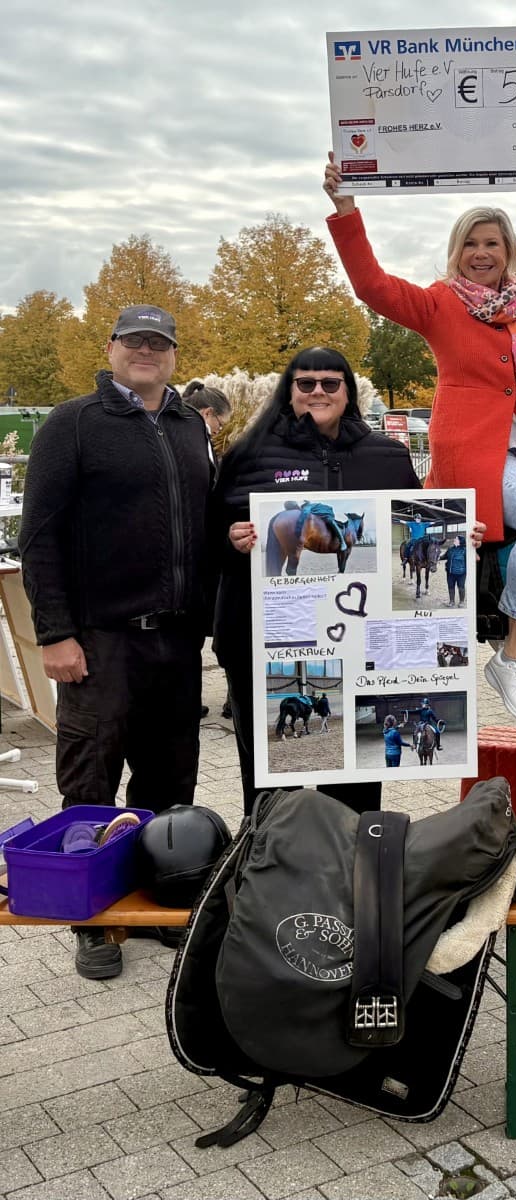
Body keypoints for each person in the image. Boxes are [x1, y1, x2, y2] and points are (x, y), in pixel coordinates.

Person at [324, 148, 516, 728]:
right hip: (472, 454)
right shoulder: (439, 304)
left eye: (492, 243)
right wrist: (345, 208)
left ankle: (510, 650)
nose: (481, 253)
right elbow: (373, 286)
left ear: (509, 251)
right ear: (456, 252)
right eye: (470, 244)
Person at [18, 304, 215, 980]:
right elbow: (38, 537)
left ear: (174, 354)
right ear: (111, 349)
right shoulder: (74, 423)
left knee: (169, 782)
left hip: (176, 640)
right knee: (91, 779)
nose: (146, 351)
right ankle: (93, 918)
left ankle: (153, 903)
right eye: (135, 341)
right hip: (100, 639)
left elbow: (202, 521)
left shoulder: (190, 425)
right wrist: (55, 634)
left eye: (159, 342)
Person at [213, 347, 445, 815]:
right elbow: (208, 534)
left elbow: (405, 518)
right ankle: (269, 850)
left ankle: (352, 848)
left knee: (356, 781)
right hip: (261, 637)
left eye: (330, 383)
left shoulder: (388, 456)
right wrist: (231, 537)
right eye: (306, 383)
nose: (318, 391)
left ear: (347, 392)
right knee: (269, 781)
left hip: (359, 638)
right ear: (290, 391)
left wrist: (462, 532)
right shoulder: (248, 454)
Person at [183, 382, 234, 718]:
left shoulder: (194, 442)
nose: (219, 430)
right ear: (208, 413)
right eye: (220, 423)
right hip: (201, 554)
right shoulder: (192, 443)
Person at [440, 533, 467, 607]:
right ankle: (451, 601)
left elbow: (468, 562)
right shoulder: (450, 549)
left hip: (461, 573)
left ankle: (461, 602)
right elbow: (444, 556)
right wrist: (437, 558)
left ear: (460, 541)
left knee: (461, 587)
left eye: (456, 539)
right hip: (450, 572)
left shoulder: (465, 551)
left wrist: (465, 571)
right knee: (450, 587)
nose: (455, 539)